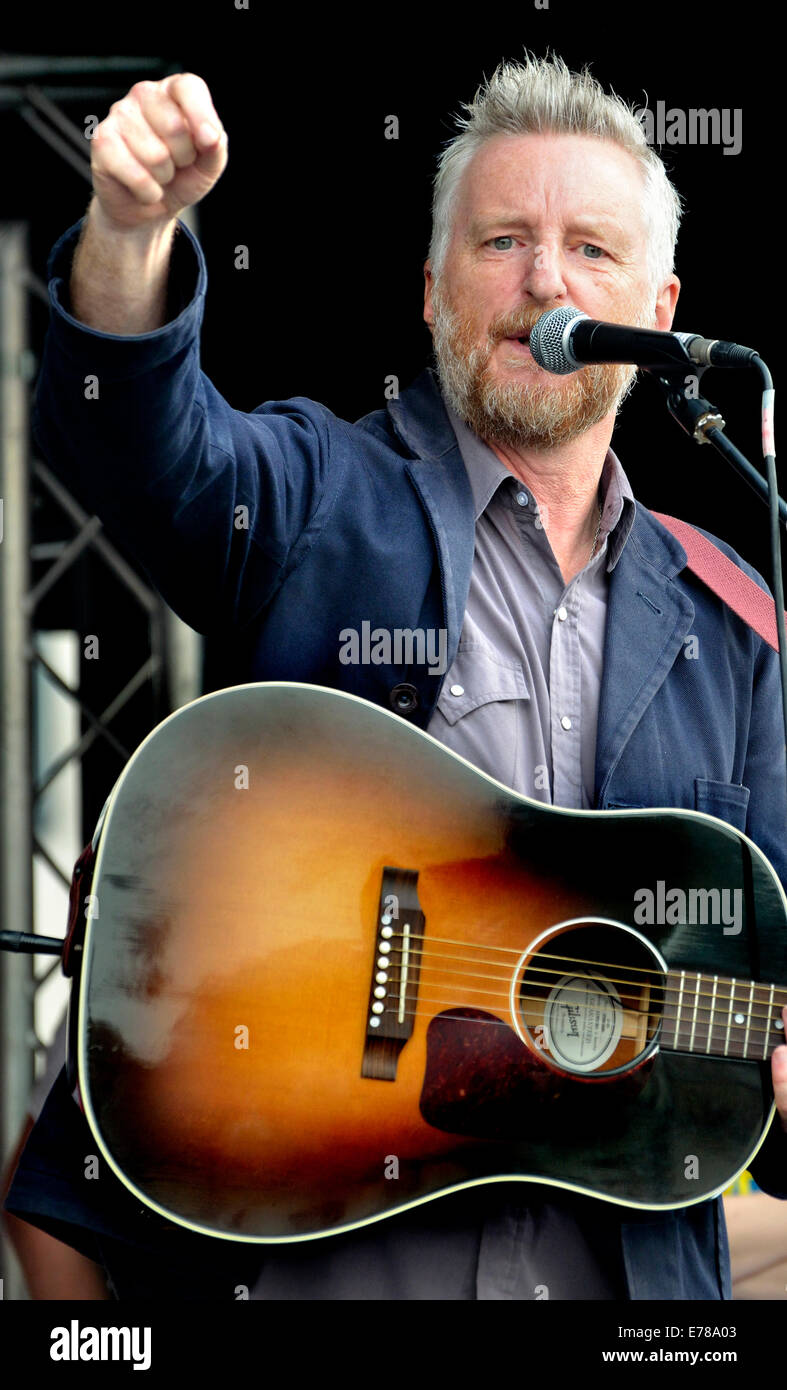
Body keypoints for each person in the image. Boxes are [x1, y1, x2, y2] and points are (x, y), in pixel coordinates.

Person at [4, 54, 787, 1301]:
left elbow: (752, 1000)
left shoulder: (737, 617)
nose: (544, 280)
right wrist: (131, 231)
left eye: (590, 247)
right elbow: (139, 449)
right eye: (500, 241)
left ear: (660, 300)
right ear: (430, 289)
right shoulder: (325, 494)